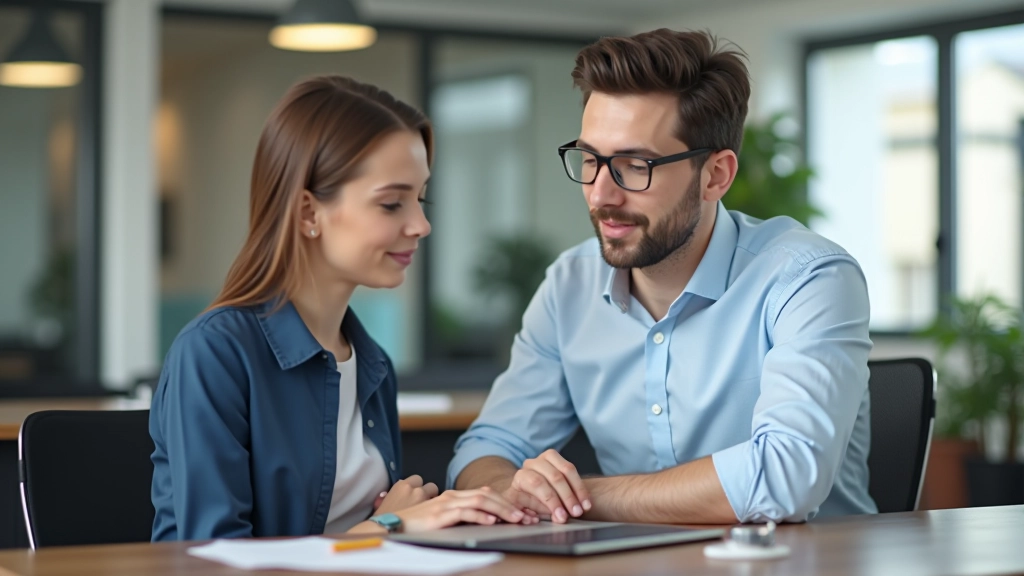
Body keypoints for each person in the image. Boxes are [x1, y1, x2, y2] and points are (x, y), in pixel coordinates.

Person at [449, 29, 877, 524]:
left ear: (715, 175)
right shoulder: (569, 286)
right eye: (590, 160)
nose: (600, 195)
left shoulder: (809, 279)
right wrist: (514, 488)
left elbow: (785, 475)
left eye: (635, 165)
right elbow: (485, 449)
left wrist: (579, 497)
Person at [150, 75, 529, 541]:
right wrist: (388, 525)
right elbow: (213, 559)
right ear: (309, 213)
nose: (421, 224)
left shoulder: (372, 364)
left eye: (420, 198)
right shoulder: (214, 355)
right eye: (392, 203)